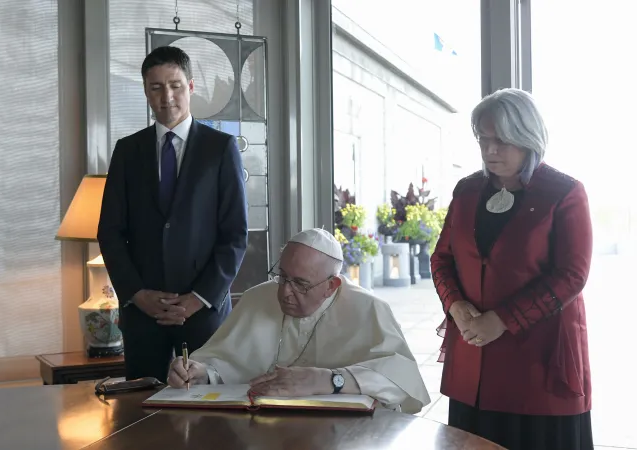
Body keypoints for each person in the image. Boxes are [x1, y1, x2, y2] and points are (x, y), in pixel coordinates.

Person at [431, 88, 593, 449]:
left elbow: (572, 275)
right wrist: (457, 308)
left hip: (540, 360)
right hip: (473, 358)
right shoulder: (467, 190)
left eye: (502, 140)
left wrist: (501, 319)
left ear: (528, 137)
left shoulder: (564, 192)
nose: (490, 151)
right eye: (483, 140)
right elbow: (442, 258)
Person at [97, 46, 248, 382]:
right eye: (156, 87)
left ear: (190, 87)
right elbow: (109, 232)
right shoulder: (127, 151)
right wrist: (137, 294)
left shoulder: (221, 149)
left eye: (175, 85)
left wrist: (198, 298)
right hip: (142, 315)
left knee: (208, 417)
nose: (167, 97)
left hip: (202, 314)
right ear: (146, 92)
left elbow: (235, 235)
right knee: (140, 417)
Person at [167, 228, 431, 413]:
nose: (284, 292)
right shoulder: (258, 298)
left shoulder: (369, 309)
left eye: (300, 284)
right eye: (282, 277)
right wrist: (201, 372)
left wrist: (327, 380)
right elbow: (224, 362)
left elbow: (403, 379)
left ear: (332, 285)